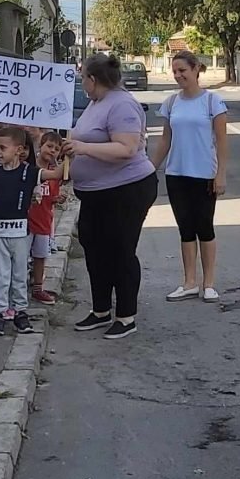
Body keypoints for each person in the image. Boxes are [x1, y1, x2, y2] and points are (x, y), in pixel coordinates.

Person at [61, 54, 157, 341]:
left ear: (93, 79)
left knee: (120, 251)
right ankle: (101, 309)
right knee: (94, 248)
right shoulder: (96, 103)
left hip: (126, 189)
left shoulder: (122, 104)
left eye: (83, 78)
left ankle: (126, 316)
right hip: (95, 192)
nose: (82, 82)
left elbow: (127, 148)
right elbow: (84, 136)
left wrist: (82, 148)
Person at [0, 126, 63, 336]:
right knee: (0, 275)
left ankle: (20, 311)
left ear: (19, 150)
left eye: (2, 148)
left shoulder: (30, 172)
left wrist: (70, 156)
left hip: (20, 234)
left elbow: (57, 174)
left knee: (19, 274)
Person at [151, 51, 229, 303]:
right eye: (174, 71)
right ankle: (189, 283)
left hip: (204, 174)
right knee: (185, 229)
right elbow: (165, 140)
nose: (178, 75)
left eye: (182, 70)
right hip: (176, 174)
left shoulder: (212, 102)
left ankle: (209, 284)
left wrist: (220, 174)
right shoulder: (171, 103)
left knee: (204, 227)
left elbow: (222, 142)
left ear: (196, 69)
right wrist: (150, 168)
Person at [28, 131, 63, 305]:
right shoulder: (29, 167)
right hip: (27, 221)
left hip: (44, 221)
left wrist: (58, 199)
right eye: (49, 146)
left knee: (40, 256)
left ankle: (38, 288)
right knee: (20, 257)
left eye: (56, 149)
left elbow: (51, 197)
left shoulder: (54, 174)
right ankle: (18, 287)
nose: (52, 151)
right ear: (40, 145)